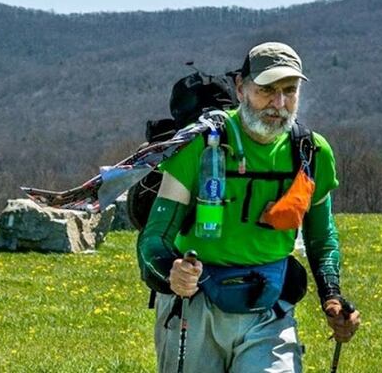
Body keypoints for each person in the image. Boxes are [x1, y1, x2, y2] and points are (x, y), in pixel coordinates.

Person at [137, 42, 361, 372]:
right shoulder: (199, 144)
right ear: (241, 88)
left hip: (269, 309)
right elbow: (153, 237)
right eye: (267, 90)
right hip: (195, 305)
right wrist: (171, 271)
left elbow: (321, 237)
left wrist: (332, 295)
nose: (279, 103)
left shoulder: (311, 153)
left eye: (290, 91)